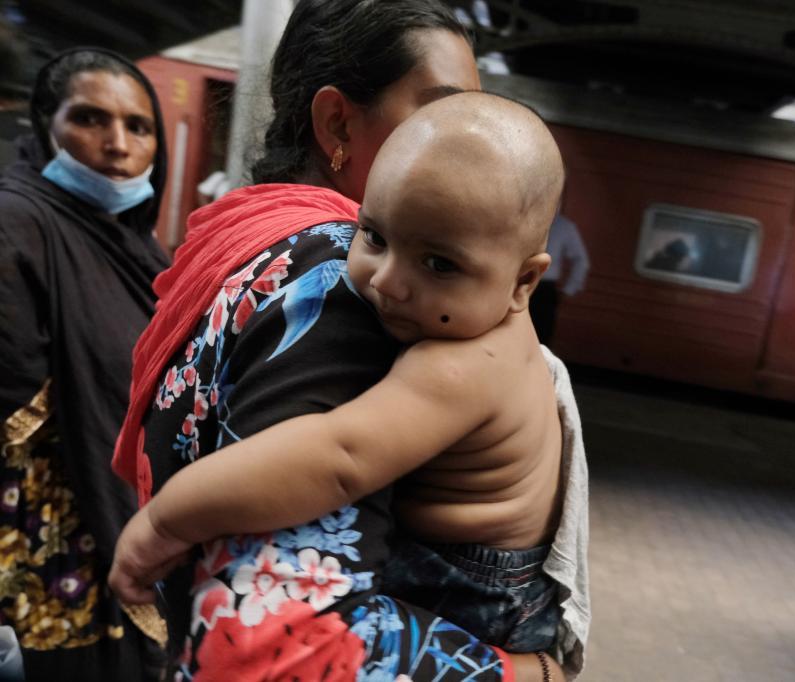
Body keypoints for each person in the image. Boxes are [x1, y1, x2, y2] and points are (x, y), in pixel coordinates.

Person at [108, 2, 579, 680]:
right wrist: (535, 676)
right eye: (433, 114)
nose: (387, 281)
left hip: (478, 591)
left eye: (438, 263)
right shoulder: (335, 276)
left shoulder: (251, 242)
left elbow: (336, 456)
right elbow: (275, 647)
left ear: (523, 282)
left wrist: (165, 521)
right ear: (335, 124)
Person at [0, 48, 169, 680]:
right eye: (90, 119)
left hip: (120, 537)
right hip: (49, 560)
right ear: (47, 125)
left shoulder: (134, 243)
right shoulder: (16, 224)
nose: (118, 144)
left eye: (138, 126)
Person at [528, 212, 589, 345]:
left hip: (544, 290)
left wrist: (569, 290)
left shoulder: (564, 226)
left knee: (540, 337)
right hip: (518, 283)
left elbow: (580, 260)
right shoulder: (523, 218)